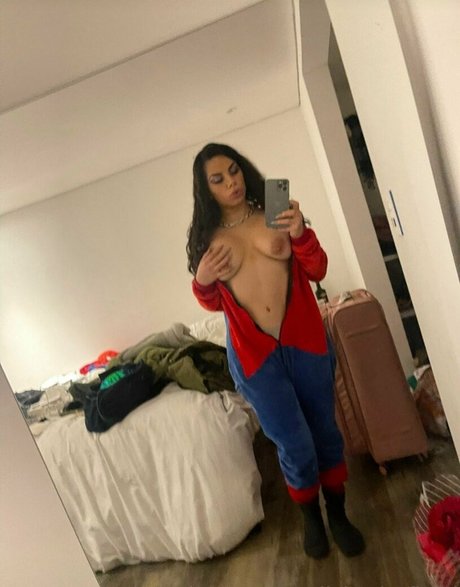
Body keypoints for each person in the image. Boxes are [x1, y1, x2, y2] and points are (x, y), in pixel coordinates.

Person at [186, 142, 365, 559]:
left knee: (325, 432)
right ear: (205, 189)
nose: (231, 182)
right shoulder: (206, 238)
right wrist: (201, 280)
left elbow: (317, 268)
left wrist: (300, 233)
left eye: (234, 171)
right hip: (256, 358)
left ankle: (338, 515)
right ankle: (311, 519)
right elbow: (214, 303)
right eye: (218, 179)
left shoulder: (275, 205)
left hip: (305, 341)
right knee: (294, 444)